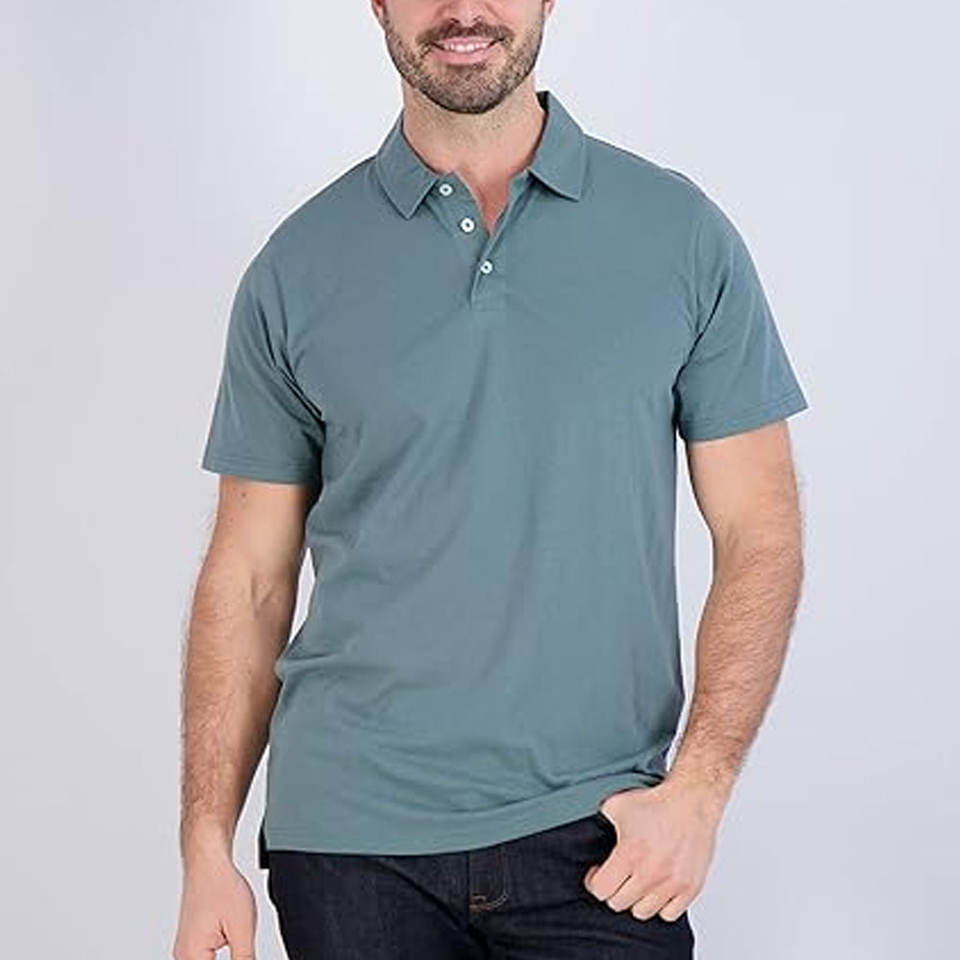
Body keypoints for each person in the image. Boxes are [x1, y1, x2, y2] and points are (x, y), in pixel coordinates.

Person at [173, 1, 810, 957]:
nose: (463, 10)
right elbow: (250, 578)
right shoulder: (294, 268)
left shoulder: (679, 235)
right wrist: (204, 846)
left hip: (603, 835)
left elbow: (760, 530)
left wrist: (700, 790)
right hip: (349, 845)